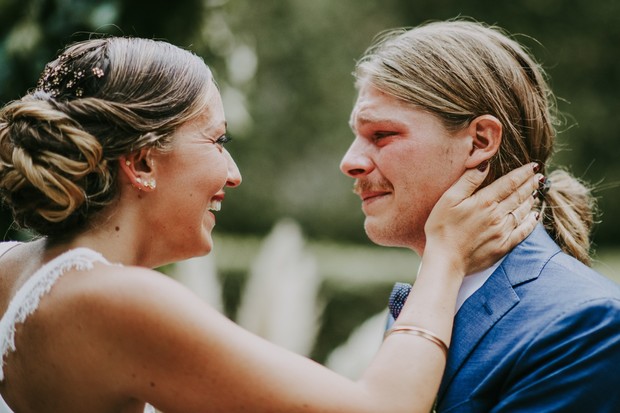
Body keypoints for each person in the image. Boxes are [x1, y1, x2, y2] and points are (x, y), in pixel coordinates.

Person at [0, 36, 540, 413]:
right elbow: (379, 409)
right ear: (141, 162)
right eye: (217, 141)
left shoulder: (11, 266)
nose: (232, 174)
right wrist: (445, 256)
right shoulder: (116, 299)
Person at [340, 18, 620, 412]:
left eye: (381, 135)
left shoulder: (585, 325)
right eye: (355, 136)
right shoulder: (421, 306)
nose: (349, 162)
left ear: (480, 141)